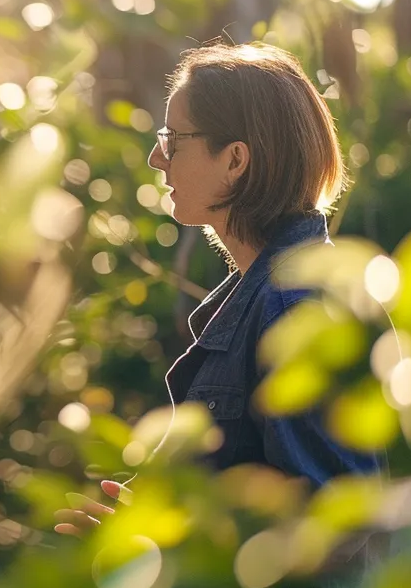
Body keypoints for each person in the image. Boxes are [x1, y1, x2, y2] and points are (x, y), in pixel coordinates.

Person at [56, 43, 378, 537]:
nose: (157, 156)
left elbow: (331, 539)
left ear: (234, 160)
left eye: (173, 138)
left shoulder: (296, 307)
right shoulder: (265, 298)